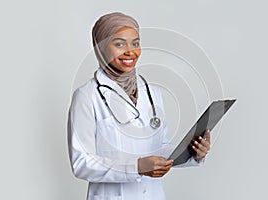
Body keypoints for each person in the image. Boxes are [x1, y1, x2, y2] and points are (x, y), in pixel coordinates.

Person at [67, 12, 211, 200]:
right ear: (100, 47)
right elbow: (81, 163)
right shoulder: (87, 96)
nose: (130, 51)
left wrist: (192, 152)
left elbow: (159, 146)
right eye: (119, 44)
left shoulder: (151, 93)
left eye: (135, 43)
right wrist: (136, 167)